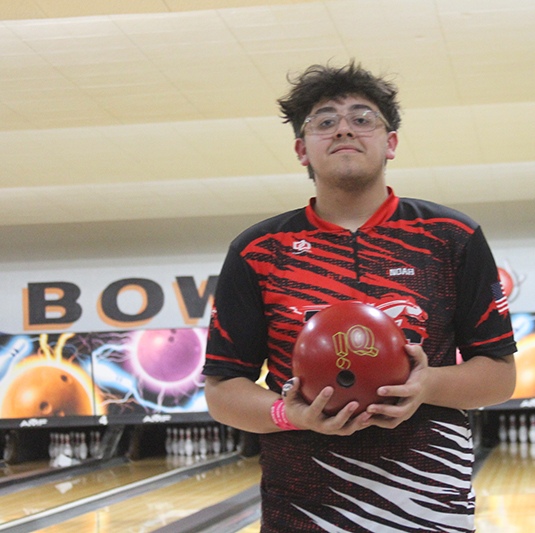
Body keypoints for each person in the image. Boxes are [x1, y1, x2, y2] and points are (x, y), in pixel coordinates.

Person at [202, 61, 517, 533]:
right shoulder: (257, 251)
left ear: (390, 142)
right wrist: (288, 414)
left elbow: (499, 376)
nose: (344, 129)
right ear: (301, 149)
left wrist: (426, 386)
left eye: (362, 118)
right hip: (305, 512)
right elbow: (223, 390)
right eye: (324, 121)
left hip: (430, 509)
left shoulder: (451, 237)